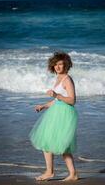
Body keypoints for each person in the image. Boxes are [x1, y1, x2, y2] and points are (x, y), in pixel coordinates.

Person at [29, 52, 78, 181]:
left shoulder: (67, 79)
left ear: (66, 65)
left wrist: (56, 95)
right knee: (53, 143)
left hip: (65, 114)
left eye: (60, 64)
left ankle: (54, 172)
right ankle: (68, 173)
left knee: (54, 143)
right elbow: (57, 101)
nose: (57, 66)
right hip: (57, 112)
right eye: (55, 64)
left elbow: (72, 100)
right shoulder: (58, 79)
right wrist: (43, 106)